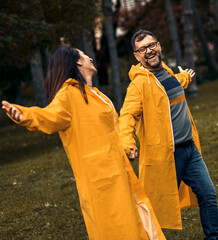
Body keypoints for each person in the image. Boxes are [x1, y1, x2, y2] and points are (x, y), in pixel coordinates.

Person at [2, 46, 165, 240]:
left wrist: (127, 146)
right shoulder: (68, 94)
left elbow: (115, 126)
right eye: (83, 54)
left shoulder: (96, 94)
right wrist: (25, 115)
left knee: (139, 218)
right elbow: (50, 115)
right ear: (77, 61)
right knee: (117, 227)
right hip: (99, 179)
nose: (89, 57)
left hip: (119, 171)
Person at [119, 29, 218, 240]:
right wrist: (127, 143)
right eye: (142, 49)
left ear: (159, 46)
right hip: (166, 157)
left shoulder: (165, 71)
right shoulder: (137, 85)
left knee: (208, 195)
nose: (149, 51)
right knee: (155, 210)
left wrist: (185, 77)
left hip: (190, 150)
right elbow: (127, 116)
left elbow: (172, 86)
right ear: (136, 55)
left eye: (151, 45)